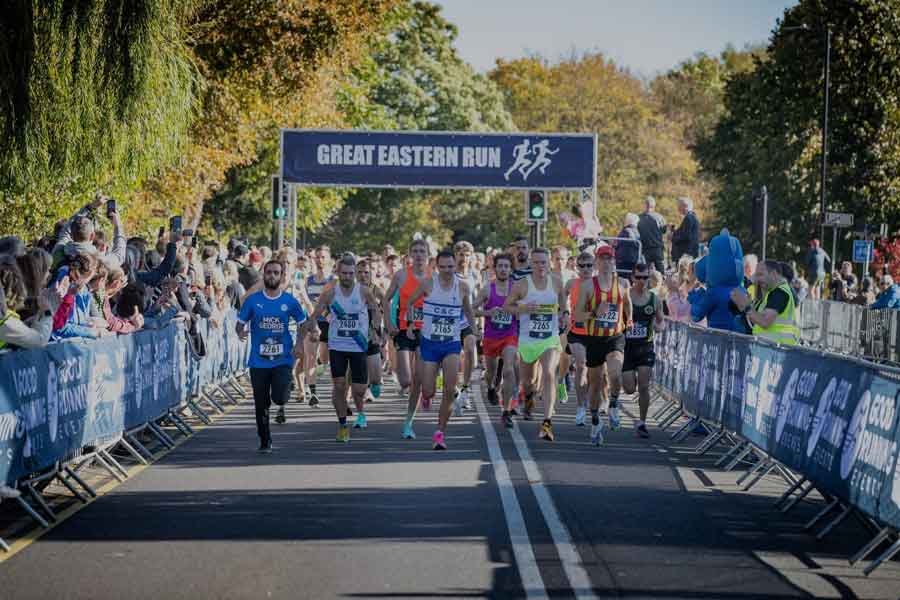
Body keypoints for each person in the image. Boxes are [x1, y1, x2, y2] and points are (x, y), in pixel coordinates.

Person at [405, 250, 477, 449]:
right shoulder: (428, 284)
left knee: (449, 389)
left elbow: (468, 311)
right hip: (429, 343)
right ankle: (427, 397)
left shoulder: (463, 287)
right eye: (443, 267)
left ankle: (440, 432)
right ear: (437, 267)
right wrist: (411, 323)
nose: (447, 271)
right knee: (427, 391)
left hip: (451, 344)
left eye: (451, 267)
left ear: (455, 267)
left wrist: (475, 331)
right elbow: (410, 302)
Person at [305, 255, 382, 442]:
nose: (348, 276)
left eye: (350, 273)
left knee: (359, 389)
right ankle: (342, 425)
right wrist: (314, 328)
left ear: (354, 273)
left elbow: (376, 310)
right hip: (338, 345)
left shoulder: (364, 292)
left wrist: (374, 330)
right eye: (344, 273)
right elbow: (315, 315)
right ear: (338, 273)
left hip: (358, 345)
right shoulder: (330, 293)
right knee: (339, 386)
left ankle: (358, 407)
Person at [236, 260, 307, 453]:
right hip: (258, 361)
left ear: (282, 276)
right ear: (263, 275)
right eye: (269, 273)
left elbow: (303, 322)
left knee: (280, 398)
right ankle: (265, 441)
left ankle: (286, 390)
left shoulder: (289, 301)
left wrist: (300, 342)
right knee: (261, 403)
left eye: (276, 273)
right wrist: (240, 331)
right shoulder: (253, 301)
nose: (272, 276)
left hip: (283, 359)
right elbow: (240, 322)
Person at [503, 248, 567, 441]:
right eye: (537, 262)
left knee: (548, 373)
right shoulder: (522, 285)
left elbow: (563, 302)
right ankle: (528, 396)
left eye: (544, 262)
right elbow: (507, 306)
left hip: (549, 338)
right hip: (528, 341)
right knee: (528, 382)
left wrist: (565, 314)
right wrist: (523, 307)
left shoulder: (556, 282)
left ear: (549, 263)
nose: (541, 266)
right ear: (531, 264)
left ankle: (547, 422)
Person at [573, 244, 632, 446]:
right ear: (597, 262)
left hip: (614, 336)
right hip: (594, 339)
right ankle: (596, 419)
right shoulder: (588, 286)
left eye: (609, 258)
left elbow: (627, 302)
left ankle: (614, 403)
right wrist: (594, 313)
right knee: (596, 384)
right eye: (602, 258)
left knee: (615, 373)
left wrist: (629, 319)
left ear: (614, 261)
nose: (606, 262)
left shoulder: (623, 284)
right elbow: (577, 315)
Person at [383, 239, 431, 440]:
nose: (419, 255)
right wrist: (389, 323)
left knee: (418, 381)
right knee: (405, 380)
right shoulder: (401, 275)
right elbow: (386, 299)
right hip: (404, 330)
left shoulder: (434, 277)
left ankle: (408, 423)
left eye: (422, 251)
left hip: (426, 332)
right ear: (410, 254)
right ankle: (415, 394)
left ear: (428, 254)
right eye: (415, 251)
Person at [474, 253, 518, 428]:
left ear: (511, 269)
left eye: (506, 266)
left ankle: (506, 411)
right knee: (490, 374)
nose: (503, 269)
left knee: (508, 370)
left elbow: (526, 309)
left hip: (510, 336)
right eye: (500, 266)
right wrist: (488, 313)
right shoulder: (487, 289)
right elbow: (472, 309)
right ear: (495, 268)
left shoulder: (517, 290)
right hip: (491, 337)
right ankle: (491, 387)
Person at [622, 263, 664, 438]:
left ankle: (642, 422)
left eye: (645, 277)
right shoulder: (625, 297)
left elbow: (661, 321)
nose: (641, 281)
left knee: (644, 386)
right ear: (632, 278)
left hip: (645, 347)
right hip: (626, 348)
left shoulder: (655, 300)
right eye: (638, 277)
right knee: (630, 389)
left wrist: (658, 326)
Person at [730, 260, 799, 345]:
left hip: (777, 349)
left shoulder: (779, 293)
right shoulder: (772, 292)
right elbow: (758, 320)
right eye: (756, 275)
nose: (757, 279)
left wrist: (746, 307)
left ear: (773, 274)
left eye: (760, 274)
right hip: (773, 348)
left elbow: (765, 322)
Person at [564, 251, 595, 426]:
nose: (585, 269)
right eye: (581, 266)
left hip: (596, 334)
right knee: (581, 366)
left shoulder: (601, 285)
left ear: (594, 266)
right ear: (576, 267)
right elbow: (562, 295)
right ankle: (580, 406)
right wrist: (564, 312)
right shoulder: (571, 283)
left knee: (596, 372)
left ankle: (594, 400)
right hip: (576, 331)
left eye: (589, 265)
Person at [303, 245, 335, 407]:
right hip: (314, 322)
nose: (320, 260)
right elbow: (306, 301)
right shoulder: (308, 280)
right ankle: (313, 394)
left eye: (323, 257)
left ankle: (324, 367)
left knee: (325, 358)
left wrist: (325, 310)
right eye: (318, 257)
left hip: (331, 322)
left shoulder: (334, 280)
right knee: (310, 356)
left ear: (329, 259)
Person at [453, 240, 479, 413]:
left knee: (472, 354)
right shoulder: (449, 274)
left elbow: (478, 300)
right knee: (453, 361)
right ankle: (455, 391)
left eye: (467, 255)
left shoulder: (474, 275)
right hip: (451, 323)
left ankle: (465, 388)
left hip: (467, 321)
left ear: (471, 257)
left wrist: (479, 324)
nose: (464, 258)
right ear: (455, 255)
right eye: (461, 254)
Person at [356, 259, 386, 401]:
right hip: (354, 335)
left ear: (371, 274)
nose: (363, 275)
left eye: (366, 272)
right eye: (360, 272)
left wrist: (384, 330)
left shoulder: (376, 290)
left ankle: (372, 385)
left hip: (372, 333)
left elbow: (386, 307)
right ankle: (360, 391)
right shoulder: (350, 290)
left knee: (376, 378)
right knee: (357, 367)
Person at [637, 196, 666, 273]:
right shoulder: (660, 217)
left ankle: (647, 284)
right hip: (657, 248)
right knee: (661, 271)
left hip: (645, 249)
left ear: (645, 205)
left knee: (645, 272)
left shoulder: (638, 218)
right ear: (654, 206)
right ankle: (661, 284)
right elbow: (664, 230)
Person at [670, 197, 700, 264]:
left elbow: (686, 236)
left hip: (687, 255)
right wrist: (675, 231)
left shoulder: (689, 218)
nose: (678, 208)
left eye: (679, 206)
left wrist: (673, 238)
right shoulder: (692, 217)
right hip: (690, 253)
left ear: (685, 206)